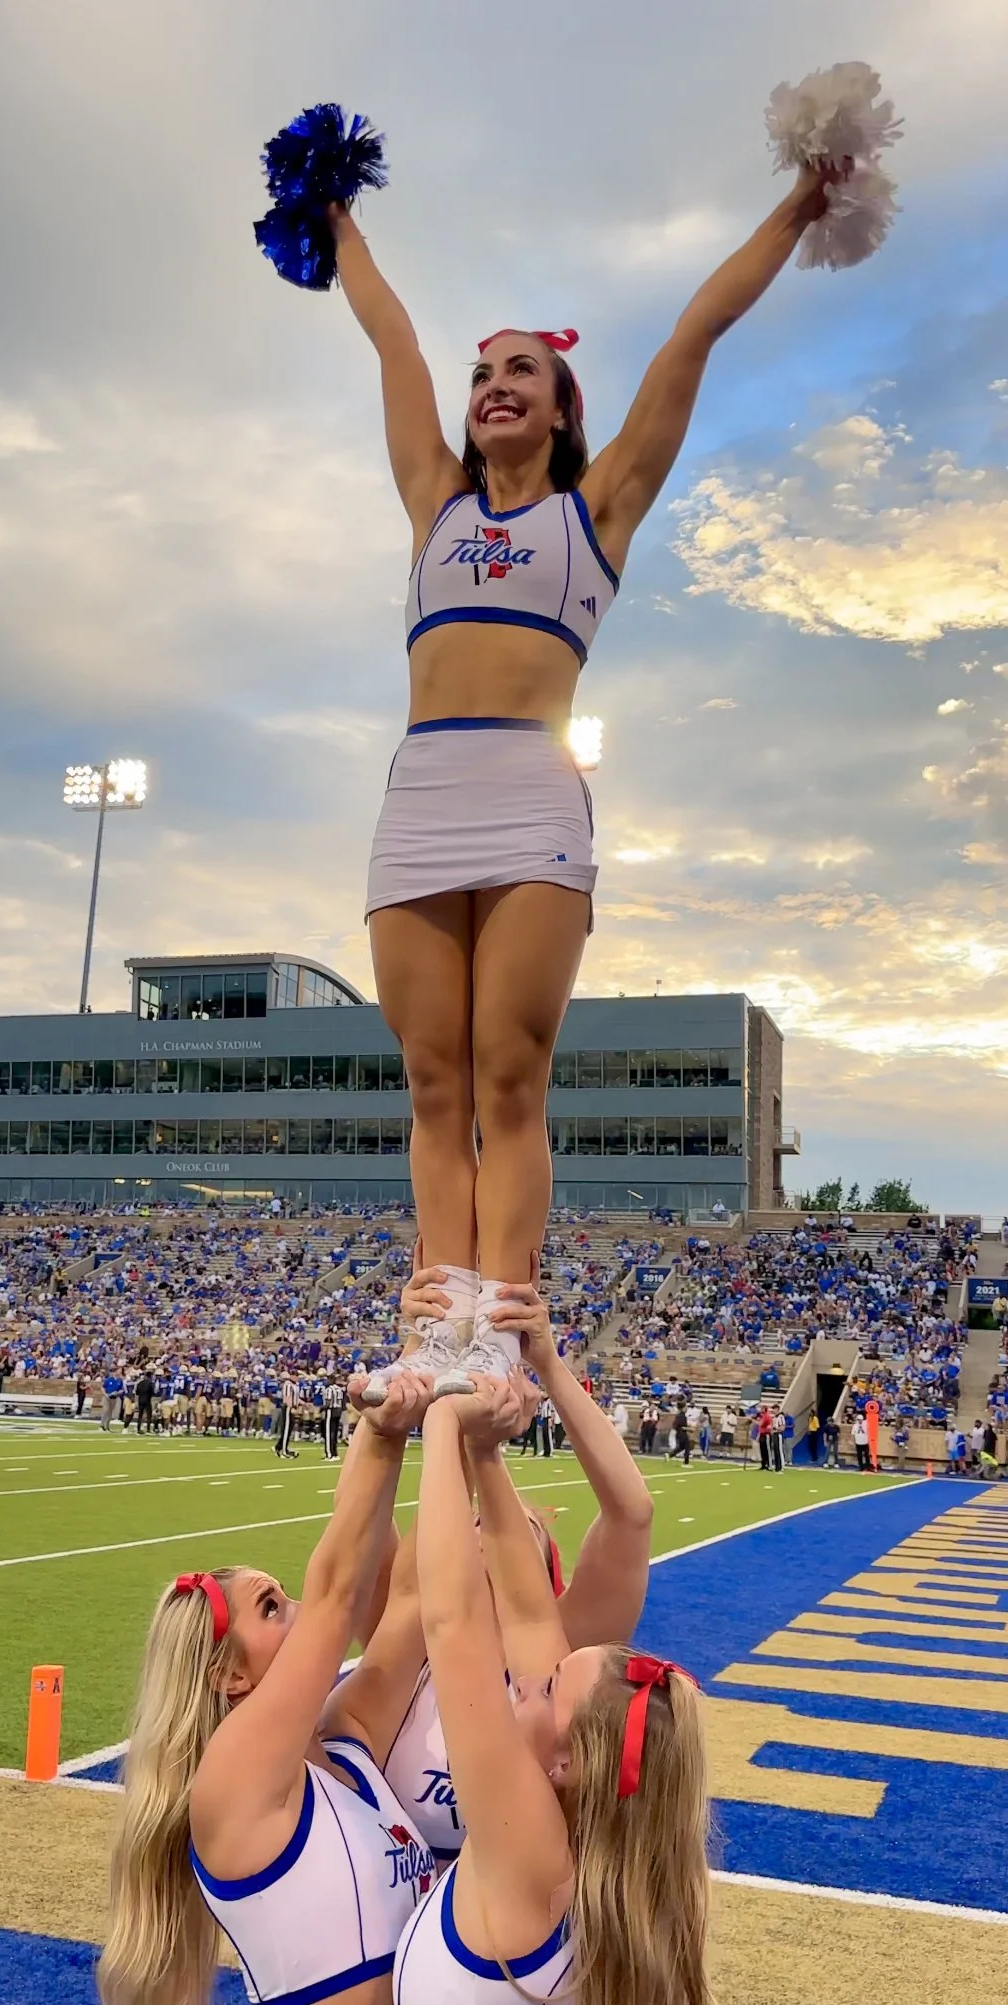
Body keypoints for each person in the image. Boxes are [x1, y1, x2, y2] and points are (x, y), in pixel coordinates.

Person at [330, 151, 851, 1401]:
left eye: (523, 370)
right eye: (484, 372)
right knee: (432, 1079)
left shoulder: (598, 509)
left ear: (563, 408)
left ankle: (500, 1329)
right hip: (421, 799)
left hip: (530, 798)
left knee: (508, 1077)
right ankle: (434, 1328)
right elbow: (389, 332)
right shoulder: (433, 502)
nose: (493, 384)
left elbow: (696, 331)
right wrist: (334, 215)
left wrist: (797, 204)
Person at [98, 1377, 434, 2005]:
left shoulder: (350, 1742)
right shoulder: (231, 1782)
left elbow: (412, 1596)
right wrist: (386, 1431)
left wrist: (424, 1364)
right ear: (230, 1677)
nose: (300, 1609)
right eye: (273, 1608)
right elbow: (338, 1593)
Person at [393, 1379, 710, 2004]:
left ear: (570, 1763)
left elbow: (452, 1621)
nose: (532, 1681)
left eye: (548, 1689)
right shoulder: (589, 1853)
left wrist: (445, 1422)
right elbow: (533, 1621)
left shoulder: (524, 1848)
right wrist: (486, 1453)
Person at [383, 1274, 654, 1866]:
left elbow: (631, 1514)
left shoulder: (564, 1658)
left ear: (543, 1572)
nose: (484, 1537)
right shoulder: (406, 1637)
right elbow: (364, 1532)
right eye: (475, 1527)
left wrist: (549, 1367)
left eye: (513, 1534)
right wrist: (418, 1360)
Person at [275, 1372, 299, 1460]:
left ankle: (280, 1447)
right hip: (288, 1408)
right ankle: (284, 1451)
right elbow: (287, 1398)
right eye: (295, 1376)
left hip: (292, 1407)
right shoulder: (288, 1384)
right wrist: (291, 1407)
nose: (297, 1378)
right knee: (286, 1429)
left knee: (289, 1429)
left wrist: (303, 1404)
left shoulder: (294, 1385)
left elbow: (295, 1397)